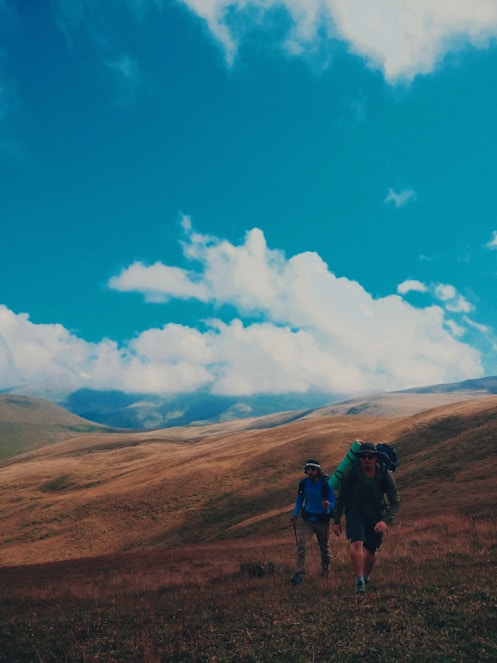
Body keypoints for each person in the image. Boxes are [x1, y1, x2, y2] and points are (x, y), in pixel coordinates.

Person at [332, 441, 400, 594]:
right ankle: (359, 581)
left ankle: (366, 577)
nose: (366, 459)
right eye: (363, 456)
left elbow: (395, 502)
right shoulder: (351, 473)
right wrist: (336, 521)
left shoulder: (384, 474)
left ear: (376, 458)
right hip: (355, 512)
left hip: (376, 514)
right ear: (359, 458)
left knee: (372, 551)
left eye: (370, 456)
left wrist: (385, 521)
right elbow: (341, 498)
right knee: (357, 543)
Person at [290, 459, 335, 584]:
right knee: (301, 545)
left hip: (323, 520)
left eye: (313, 469)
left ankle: (326, 572)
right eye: (308, 469)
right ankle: (299, 574)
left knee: (324, 548)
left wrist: (328, 505)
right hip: (308, 520)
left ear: (318, 471)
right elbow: (299, 499)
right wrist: (294, 514)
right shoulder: (303, 483)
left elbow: (333, 503)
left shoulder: (326, 485)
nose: (310, 472)